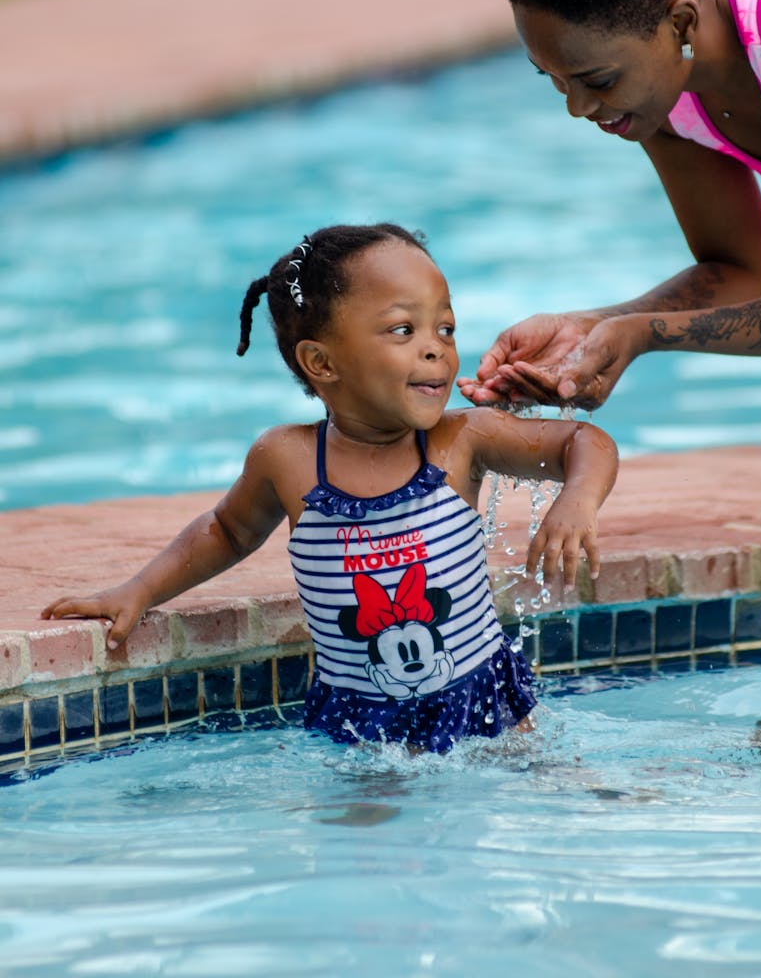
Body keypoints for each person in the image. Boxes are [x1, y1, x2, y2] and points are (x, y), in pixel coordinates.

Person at [457, 0, 761, 719]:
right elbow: (737, 270)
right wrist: (592, 326)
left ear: (680, 21)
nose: (577, 110)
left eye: (593, 81)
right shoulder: (661, 81)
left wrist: (648, 336)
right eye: (555, 83)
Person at [43, 223, 618, 753]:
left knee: (551, 784)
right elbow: (227, 530)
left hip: (485, 709)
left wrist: (576, 500)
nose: (435, 347)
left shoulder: (460, 439)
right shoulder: (289, 460)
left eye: (445, 327)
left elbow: (585, 444)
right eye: (404, 329)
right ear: (321, 361)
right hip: (358, 721)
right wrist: (139, 591)